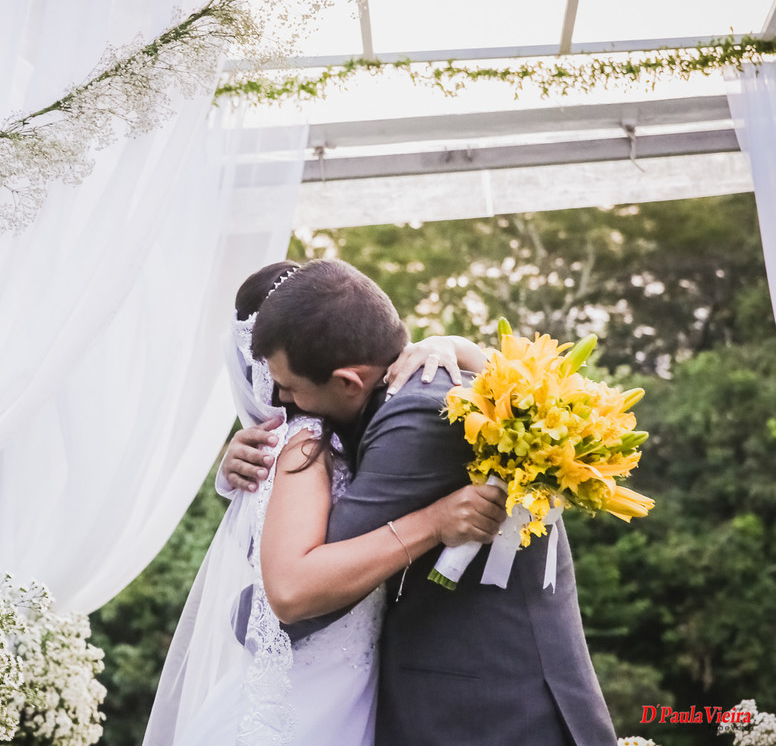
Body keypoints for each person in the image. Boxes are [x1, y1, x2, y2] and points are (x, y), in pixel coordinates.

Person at [223, 258, 618, 746]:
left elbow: (299, 595)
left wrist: (247, 615)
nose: (281, 400)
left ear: (348, 379)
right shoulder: (405, 391)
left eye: (290, 388)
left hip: (493, 710)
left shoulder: (413, 413)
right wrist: (252, 485)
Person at [142, 261, 507, 746]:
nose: (280, 396)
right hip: (304, 701)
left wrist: (456, 346)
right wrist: (435, 523)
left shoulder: (344, 426)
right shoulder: (305, 438)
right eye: (273, 381)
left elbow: (522, 393)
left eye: (288, 383)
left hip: (346, 687)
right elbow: (290, 590)